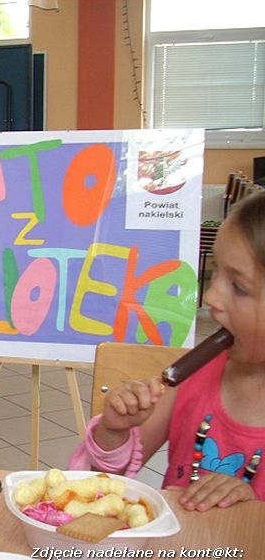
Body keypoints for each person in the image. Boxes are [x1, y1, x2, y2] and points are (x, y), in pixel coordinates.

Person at [70, 190, 265, 510]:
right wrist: (113, 432)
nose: (212, 297)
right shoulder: (195, 376)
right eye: (216, 271)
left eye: (239, 287)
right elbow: (100, 486)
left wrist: (253, 509)